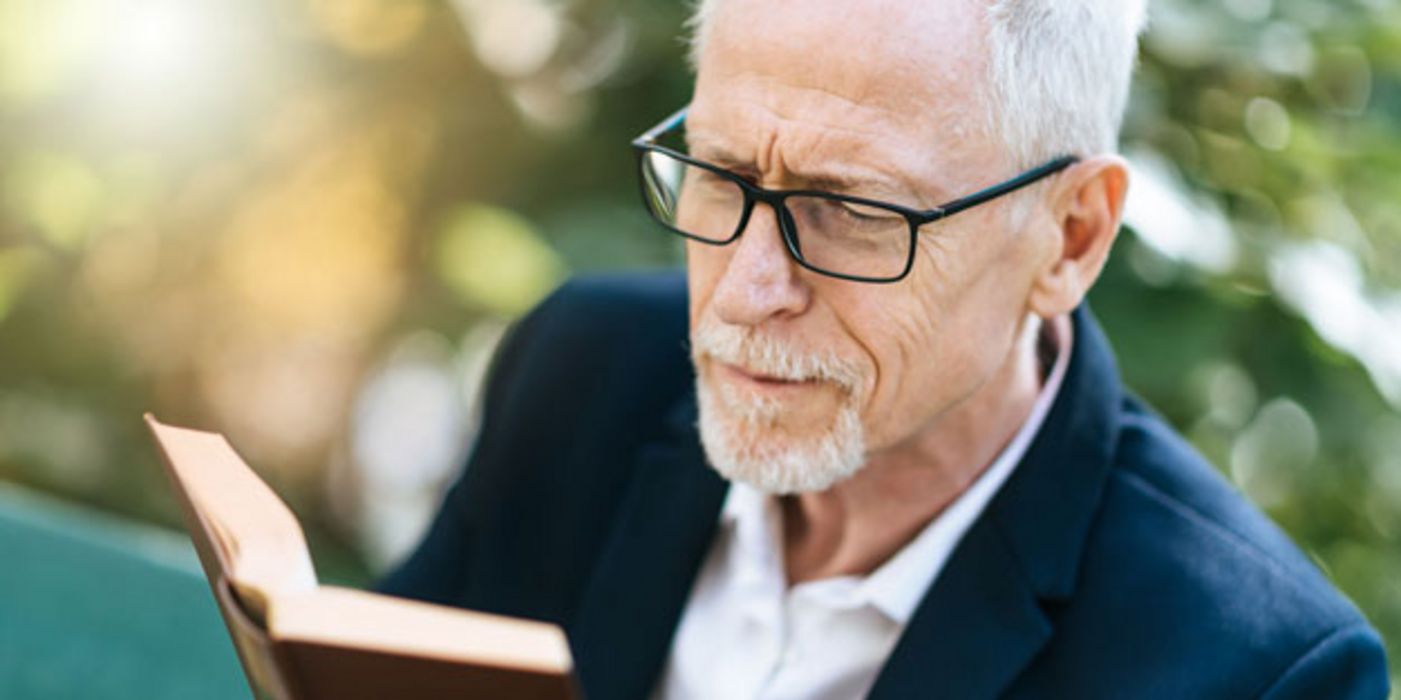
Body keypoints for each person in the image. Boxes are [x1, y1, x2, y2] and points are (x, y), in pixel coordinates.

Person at [377, 0, 1390, 697]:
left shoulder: (1254, 672)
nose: (747, 290)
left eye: (850, 210)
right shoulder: (581, 376)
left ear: (1071, 235)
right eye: (723, 175)